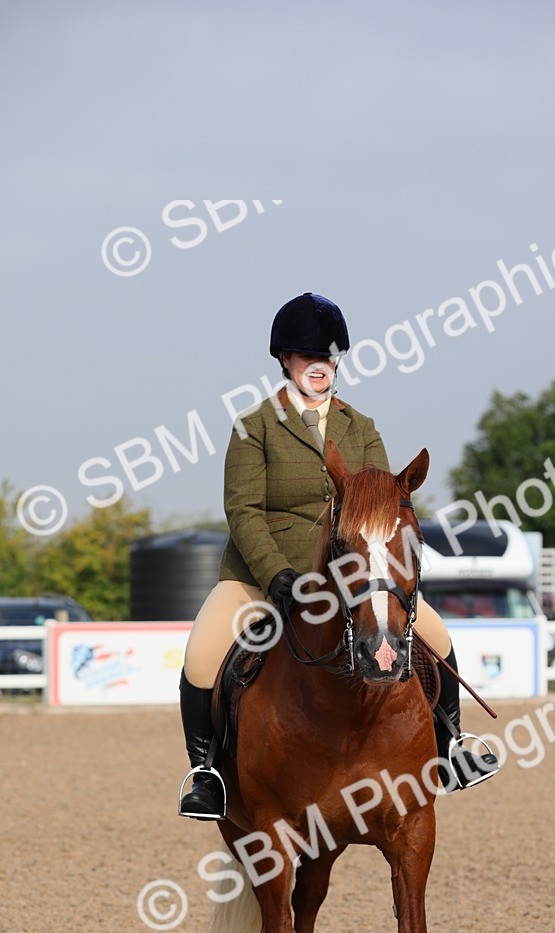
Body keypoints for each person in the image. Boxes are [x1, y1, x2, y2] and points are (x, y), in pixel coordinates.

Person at [178, 292, 500, 819]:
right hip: (263, 575)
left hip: (350, 577)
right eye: (308, 357)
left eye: (327, 357)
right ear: (285, 360)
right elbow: (243, 511)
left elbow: (382, 506)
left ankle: (452, 747)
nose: (318, 366)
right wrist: (276, 574)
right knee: (202, 654)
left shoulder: (361, 427)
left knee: (436, 635)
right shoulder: (253, 426)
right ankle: (206, 774)